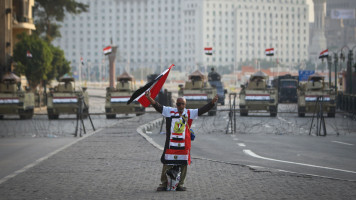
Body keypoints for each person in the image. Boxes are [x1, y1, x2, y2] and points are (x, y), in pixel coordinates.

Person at [145, 91, 218, 191]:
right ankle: (164, 184)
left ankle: (180, 184)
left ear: (185, 104)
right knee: (167, 162)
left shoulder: (189, 113)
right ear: (176, 104)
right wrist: (149, 98)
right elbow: (158, 106)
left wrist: (212, 103)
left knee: (183, 164)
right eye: (179, 104)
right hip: (171, 144)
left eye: (182, 104)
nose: (180, 106)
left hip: (184, 144)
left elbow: (202, 110)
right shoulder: (169, 111)